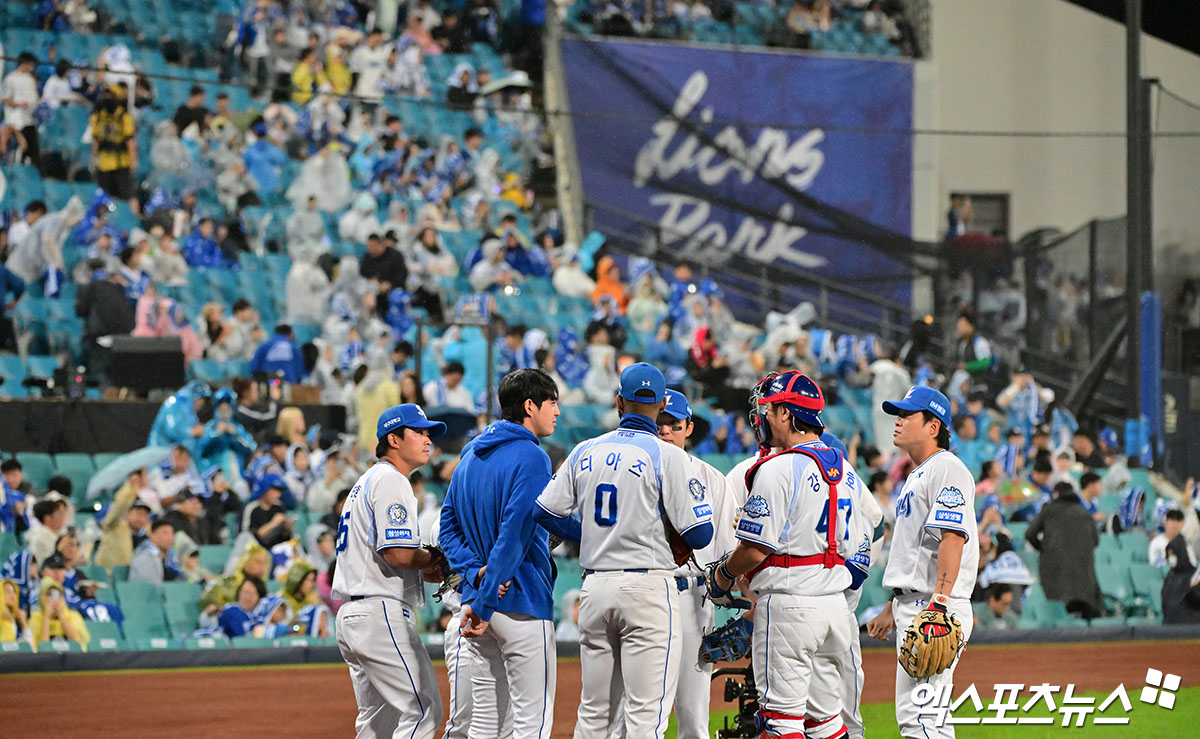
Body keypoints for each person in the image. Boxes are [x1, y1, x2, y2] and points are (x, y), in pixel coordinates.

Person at [534, 363, 713, 739]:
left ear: (619, 401)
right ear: (663, 404)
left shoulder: (586, 450)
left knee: (595, 712)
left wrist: (589, 534)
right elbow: (700, 535)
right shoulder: (670, 456)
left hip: (596, 588)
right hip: (648, 589)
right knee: (645, 719)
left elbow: (545, 512)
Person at [704, 371, 864, 739]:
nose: (762, 415)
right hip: (834, 607)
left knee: (781, 723)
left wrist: (723, 575)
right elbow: (858, 548)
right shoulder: (847, 471)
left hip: (791, 604)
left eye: (769, 408)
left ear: (787, 416)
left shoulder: (777, 468)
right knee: (826, 723)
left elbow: (756, 549)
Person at [439, 369, 561, 739]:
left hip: (475, 603)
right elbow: (515, 533)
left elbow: (448, 527)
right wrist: (490, 594)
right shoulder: (532, 456)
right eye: (552, 402)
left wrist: (476, 576)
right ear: (529, 406)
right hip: (520, 602)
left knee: (486, 724)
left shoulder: (471, 453)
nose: (557, 411)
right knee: (531, 724)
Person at [866, 385, 978, 739]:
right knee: (928, 718)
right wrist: (892, 604)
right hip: (917, 603)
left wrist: (939, 604)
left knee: (921, 718)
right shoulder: (919, 473)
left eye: (906, 415)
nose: (897, 422)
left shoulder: (947, 468)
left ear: (933, 426)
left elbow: (952, 539)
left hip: (933, 606)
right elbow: (915, 552)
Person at [332, 403, 448, 738]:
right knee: (423, 710)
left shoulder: (366, 482)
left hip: (355, 615)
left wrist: (421, 565)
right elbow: (398, 553)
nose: (428, 440)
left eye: (429, 434)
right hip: (379, 613)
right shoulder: (391, 480)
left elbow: (390, 555)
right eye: (419, 432)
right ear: (393, 440)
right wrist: (435, 559)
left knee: (377, 722)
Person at [644, 389, 739, 739]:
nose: (665, 430)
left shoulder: (711, 478)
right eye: (659, 423)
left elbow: (728, 550)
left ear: (688, 427)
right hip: (647, 592)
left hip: (691, 596)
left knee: (693, 715)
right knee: (640, 710)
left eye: (673, 424)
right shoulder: (635, 473)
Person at [1025, 482, 1102, 619]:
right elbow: (1095, 541)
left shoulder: (1050, 510)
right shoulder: (1084, 513)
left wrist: (1043, 548)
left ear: (1056, 494)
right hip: (1083, 573)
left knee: (1058, 614)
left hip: (1054, 571)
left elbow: (1030, 534)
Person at [89, 85, 138, 207]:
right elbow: (96, 139)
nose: (107, 98)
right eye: (105, 95)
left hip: (121, 163)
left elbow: (130, 141)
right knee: (105, 199)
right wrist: (93, 158)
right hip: (103, 164)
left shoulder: (124, 116)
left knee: (126, 197)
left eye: (110, 95)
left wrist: (133, 160)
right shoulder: (98, 116)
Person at [94, 472, 152, 568]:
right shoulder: (115, 526)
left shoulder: (147, 537)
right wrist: (129, 488)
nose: (141, 518)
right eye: (138, 513)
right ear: (128, 513)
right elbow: (119, 506)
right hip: (109, 574)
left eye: (145, 515)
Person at [128, 520, 179, 585]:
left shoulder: (171, 557)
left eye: (172, 533)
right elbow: (151, 587)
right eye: (165, 533)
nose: (170, 537)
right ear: (152, 536)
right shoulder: (145, 557)